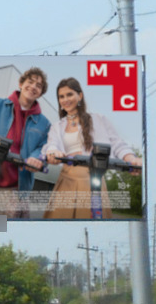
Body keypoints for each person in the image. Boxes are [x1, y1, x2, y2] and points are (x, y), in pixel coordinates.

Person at [42, 76, 141, 219]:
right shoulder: (57, 127)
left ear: (80, 95)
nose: (65, 99)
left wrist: (132, 158)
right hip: (66, 180)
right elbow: (51, 144)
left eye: (69, 94)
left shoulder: (98, 119)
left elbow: (117, 143)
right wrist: (52, 152)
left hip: (94, 176)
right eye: (61, 96)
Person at [0, 67, 51, 214]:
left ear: (41, 92)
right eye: (30, 82)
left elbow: (44, 147)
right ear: (21, 83)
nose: (33, 87)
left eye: (38, 86)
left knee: (5, 232)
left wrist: (36, 157)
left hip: (14, 191)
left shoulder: (44, 124)